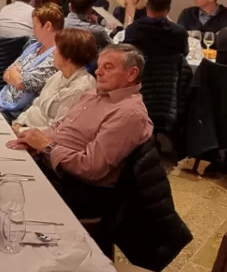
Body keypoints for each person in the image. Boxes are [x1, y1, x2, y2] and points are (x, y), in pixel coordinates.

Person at [8, 45, 154, 216]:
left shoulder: (129, 113)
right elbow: (59, 128)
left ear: (131, 74)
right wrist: (34, 143)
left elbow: (92, 168)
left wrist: (47, 146)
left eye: (108, 67)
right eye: (99, 66)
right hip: (51, 166)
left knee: (6, 196)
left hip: (78, 188)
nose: (98, 72)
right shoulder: (93, 94)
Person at [13, 28, 99, 131]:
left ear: (68, 59)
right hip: (25, 127)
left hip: (37, 136)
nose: (53, 52)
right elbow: (36, 104)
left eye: (57, 49)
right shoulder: (60, 74)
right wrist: (19, 122)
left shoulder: (80, 88)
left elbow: (57, 129)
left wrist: (21, 131)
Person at [0, 4, 63, 118]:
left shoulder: (56, 57)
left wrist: (15, 72)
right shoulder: (35, 47)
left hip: (20, 115)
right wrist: (15, 75)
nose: (33, 30)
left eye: (35, 26)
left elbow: (22, 83)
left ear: (47, 26)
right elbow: (6, 73)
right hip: (5, 103)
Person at [123, 0, 187, 58]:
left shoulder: (133, 29)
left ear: (147, 6)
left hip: (142, 65)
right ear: (168, 10)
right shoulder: (179, 32)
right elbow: (184, 53)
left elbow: (127, 55)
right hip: (171, 65)